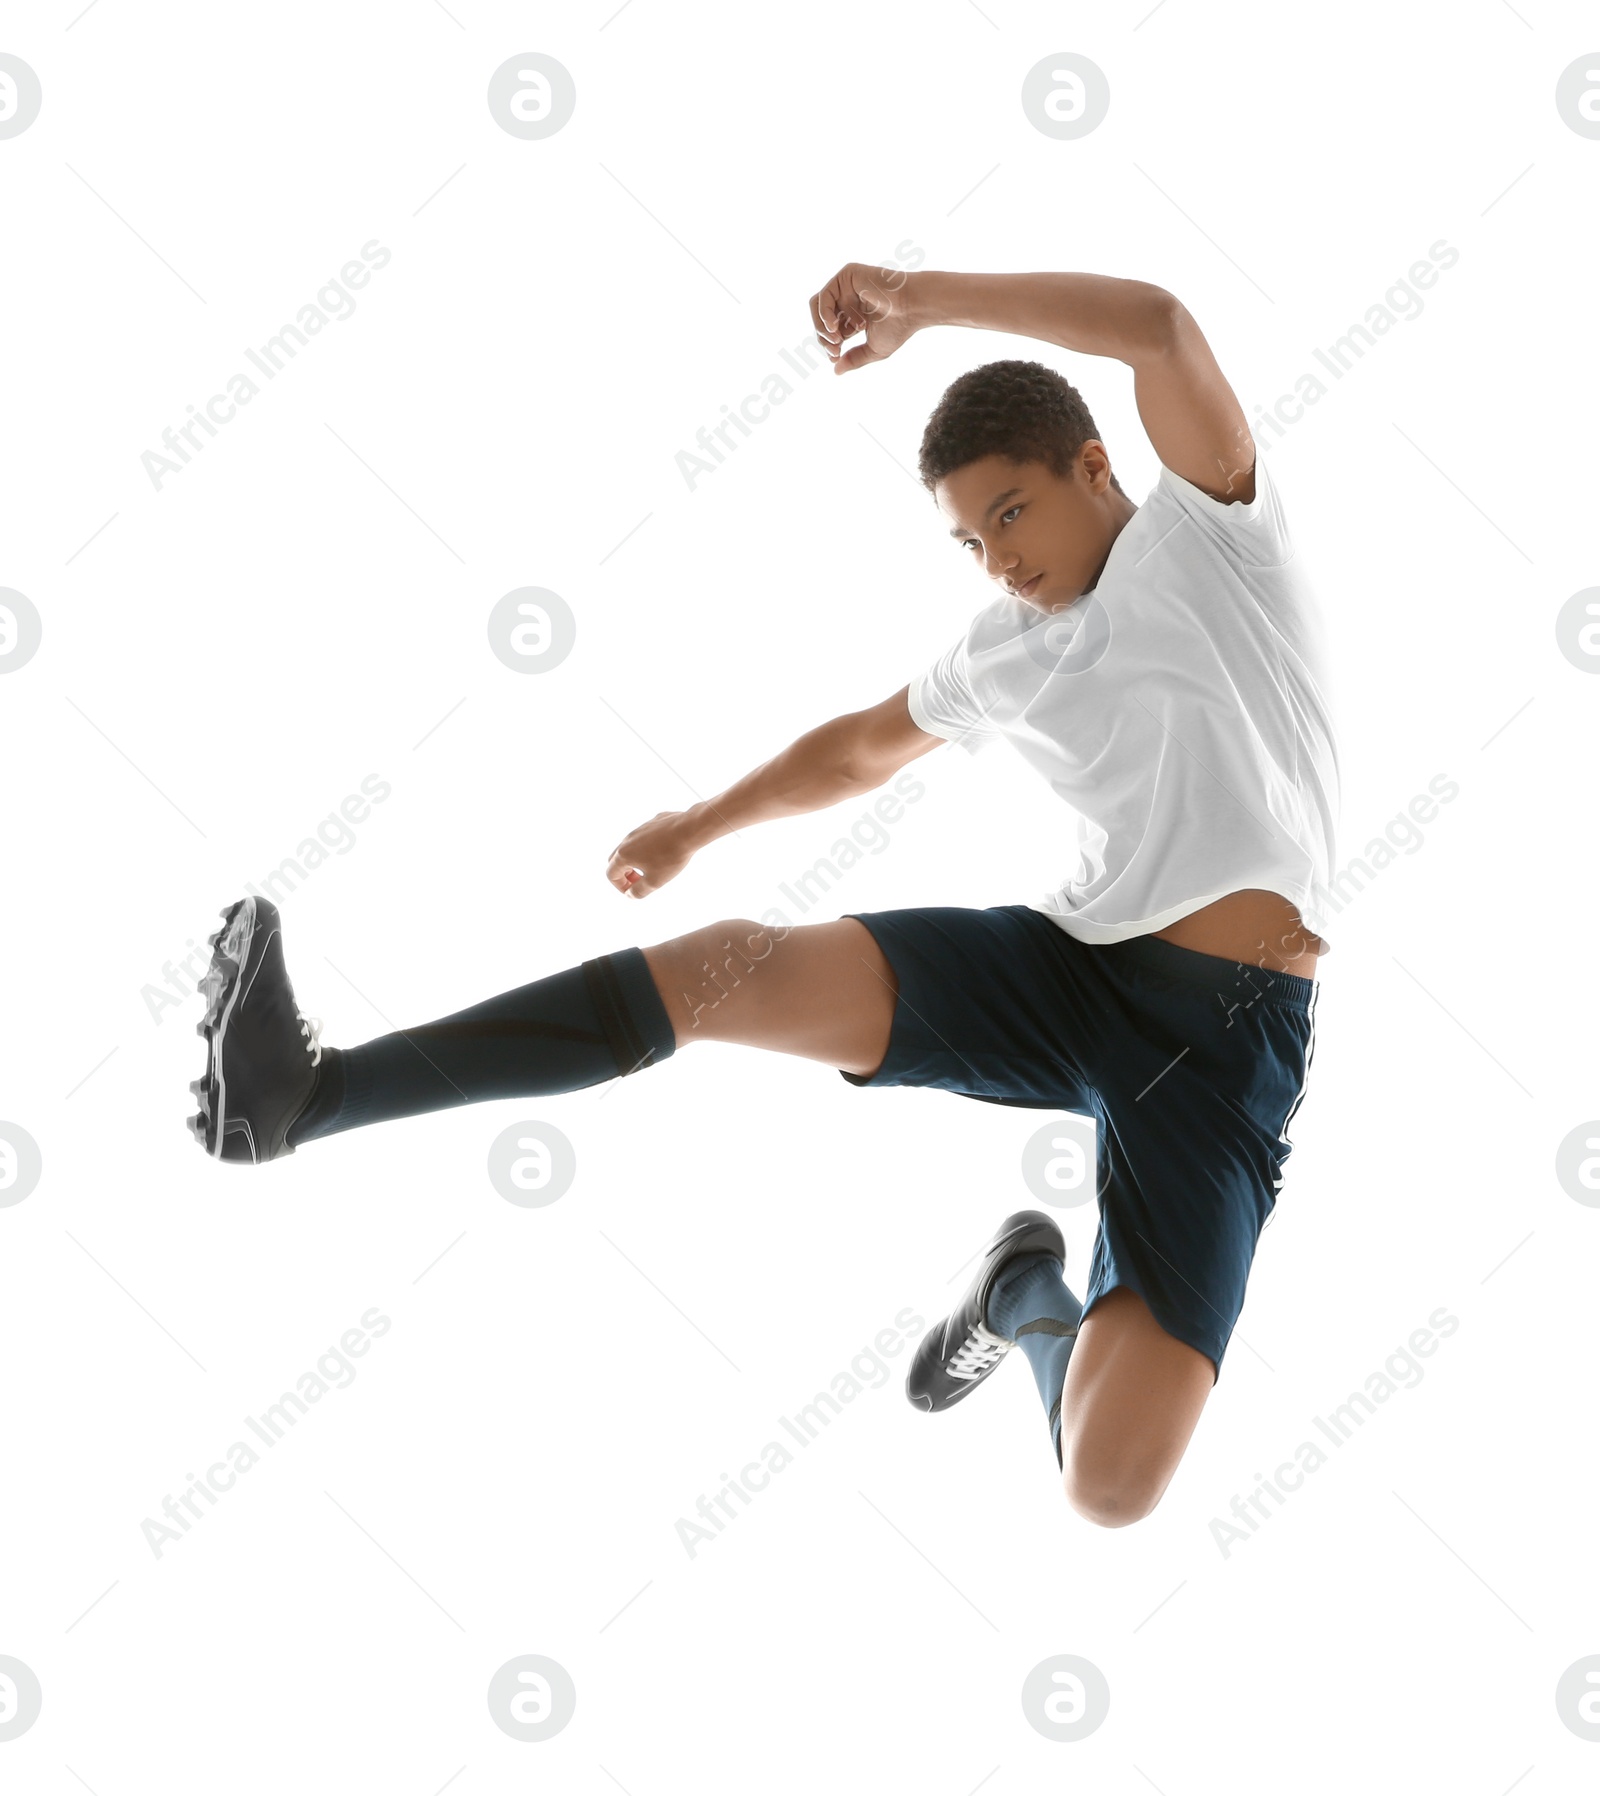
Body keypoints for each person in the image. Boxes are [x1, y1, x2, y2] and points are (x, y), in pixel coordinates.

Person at [188, 263, 1339, 1531]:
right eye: (971, 540)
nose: (999, 561)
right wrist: (696, 824)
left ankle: (1020, 1292)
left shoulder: (1212, 535)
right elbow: (852, 749)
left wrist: (921, 300)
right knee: (726, 968)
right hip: (1069, 973)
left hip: (1225, 1049)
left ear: (1091, 466)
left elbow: (1159, 329)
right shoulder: (1004, 652)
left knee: (1108, 1486)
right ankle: (308, 1095)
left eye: (1012, 513)